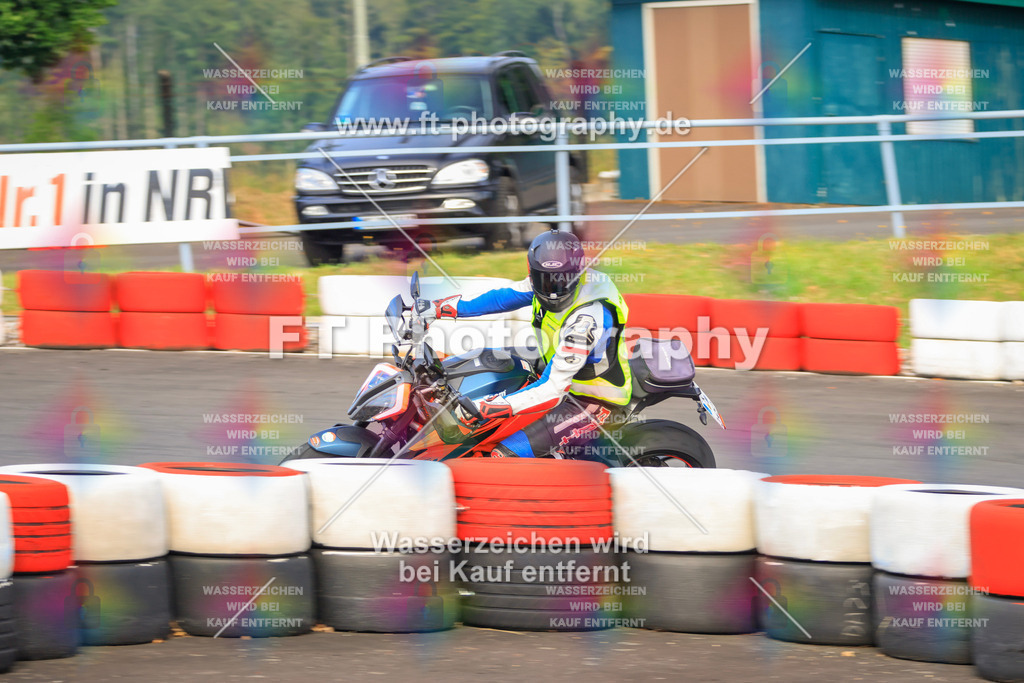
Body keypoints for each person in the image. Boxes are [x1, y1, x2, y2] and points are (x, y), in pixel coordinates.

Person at [426, 230, 632, 459]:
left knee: (504, 455)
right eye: (545, 279)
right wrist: (438, 308)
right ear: (532, 274)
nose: (554, 290)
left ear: (579, 272)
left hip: (592, 401)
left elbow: (552, 388)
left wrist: (484, 407)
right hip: (560, 377)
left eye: (563, 280)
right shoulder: (542, 282)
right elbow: (500, 298)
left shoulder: (588, 318)